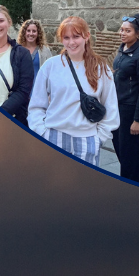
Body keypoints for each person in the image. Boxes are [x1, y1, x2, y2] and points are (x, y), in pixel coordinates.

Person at [27, 16, 118, 168]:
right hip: (53, 137)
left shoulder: (101, 68)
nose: (71, 42)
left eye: (76, 36)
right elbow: (36, 105)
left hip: (87, 139)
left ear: (87, 36)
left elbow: (111, 106)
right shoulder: (51, 66)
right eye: (66, 37)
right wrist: (42, 132)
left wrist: (99, 138)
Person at [108, 16, 139, 182]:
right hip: (117, 107)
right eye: (122, 29)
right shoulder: (122, 49)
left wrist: (138, 119)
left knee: (129, 151)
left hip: (130, 109)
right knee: (121, 148)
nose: (123, 33)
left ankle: (131, 184)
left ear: (137, 33)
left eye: (127, 31)